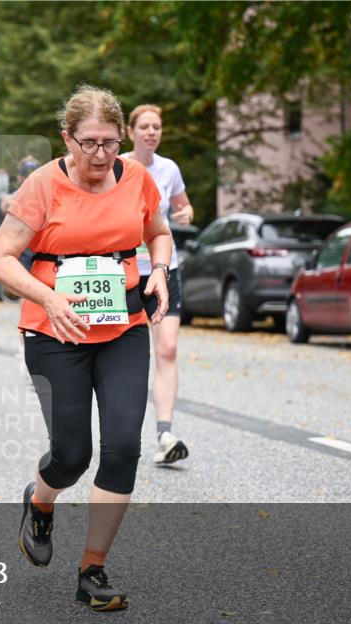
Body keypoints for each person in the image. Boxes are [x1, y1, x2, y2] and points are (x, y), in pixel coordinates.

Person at [0, 84, 170, 611]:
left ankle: (93, 568)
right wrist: (48, 296)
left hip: (124, 326)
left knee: (124, 447)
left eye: (109, 143)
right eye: (87, 143)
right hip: (55, 334)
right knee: (71, 455)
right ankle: (41, 502)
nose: (99, 155)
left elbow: (158, 232)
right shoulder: (42, 185)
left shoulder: (136, 178)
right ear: (67, 139)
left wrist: (158, 270)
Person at [124, 104, 195, 465]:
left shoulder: (169, 169)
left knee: (167, 349)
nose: (152, 132)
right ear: (131, 131)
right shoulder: (118, 167)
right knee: (126, 356)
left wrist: (185, 213)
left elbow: (183, 206)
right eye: (145, 127)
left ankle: (164, 435)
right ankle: (120, 433)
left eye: (157, 127)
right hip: (122, 271)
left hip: (164, 268)